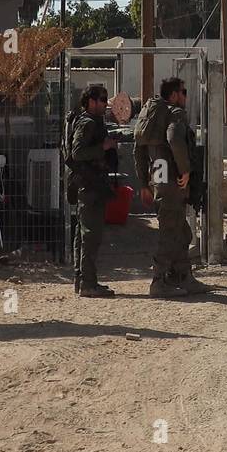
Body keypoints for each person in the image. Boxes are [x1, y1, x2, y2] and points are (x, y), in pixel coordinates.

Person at [134, 77, 212, 297]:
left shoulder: (151, 117)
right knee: (170, 231)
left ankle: (182, 276)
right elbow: (175, 139)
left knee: (181, 231)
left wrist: (143, 183)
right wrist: (185, 170)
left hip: (158, 181)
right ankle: (159, 281)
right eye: (184, 92)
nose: (186, 97)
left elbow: (138, 150)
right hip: (172, 181)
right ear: (175, 94)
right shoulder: (174, 114)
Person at [66, 84, 119, 298]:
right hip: (89, 185)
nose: (105, 104)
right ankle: (88, 283)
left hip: (91, 184)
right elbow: (77, 153)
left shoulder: (93, 122)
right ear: (90, 101)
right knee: (90, 235)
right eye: (102, 99)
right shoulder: (87, 123)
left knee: (84, 235)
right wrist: (103, 148)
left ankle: (84, 280)